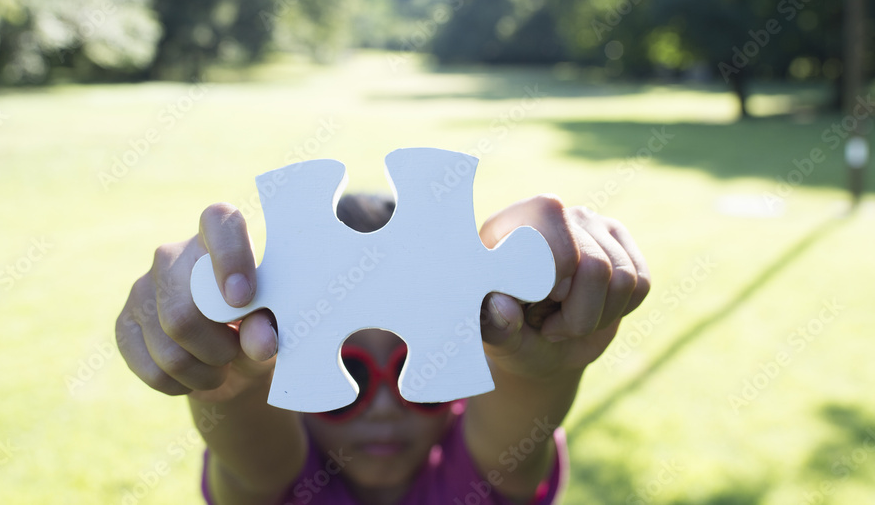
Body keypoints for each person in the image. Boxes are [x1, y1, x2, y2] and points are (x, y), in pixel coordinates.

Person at [116, 192, 650, 505]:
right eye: (347, 378)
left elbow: (530, 386)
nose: (385, 406)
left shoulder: (472, 478)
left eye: (421, 371)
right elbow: (244, 427)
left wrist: (543, 354)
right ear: (288, 388)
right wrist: (227, 384)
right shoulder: (286, 481)